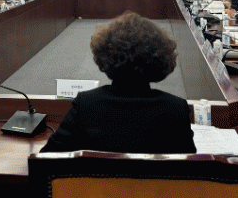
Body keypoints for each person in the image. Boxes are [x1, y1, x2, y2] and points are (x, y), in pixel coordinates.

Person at [40, 12, 195, 154]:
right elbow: (189, 168)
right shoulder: (176, 108)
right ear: (160, 59)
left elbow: (47, 159)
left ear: (105, 56)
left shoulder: (86, 104)